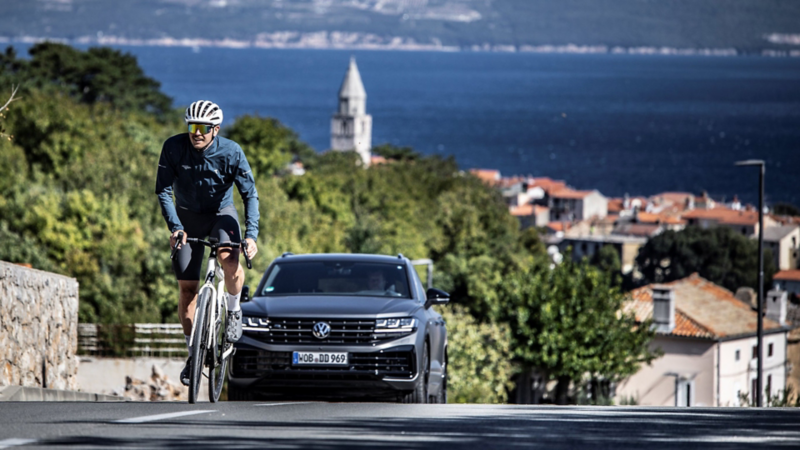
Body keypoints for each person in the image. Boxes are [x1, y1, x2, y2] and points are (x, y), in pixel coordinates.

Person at [155, 100, 259, 386]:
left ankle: (234, 309)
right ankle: (193, 356)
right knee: (187, 291)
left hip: (221, 214)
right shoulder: (173, 147)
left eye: (203, 127)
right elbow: (163, 191)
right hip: (186, 219)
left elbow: (249, 194)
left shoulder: (231, 152)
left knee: (229, 258)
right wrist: (175, 227)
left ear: (216, 129)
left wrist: (251, 235)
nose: (197, 133)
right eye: (192, 127)